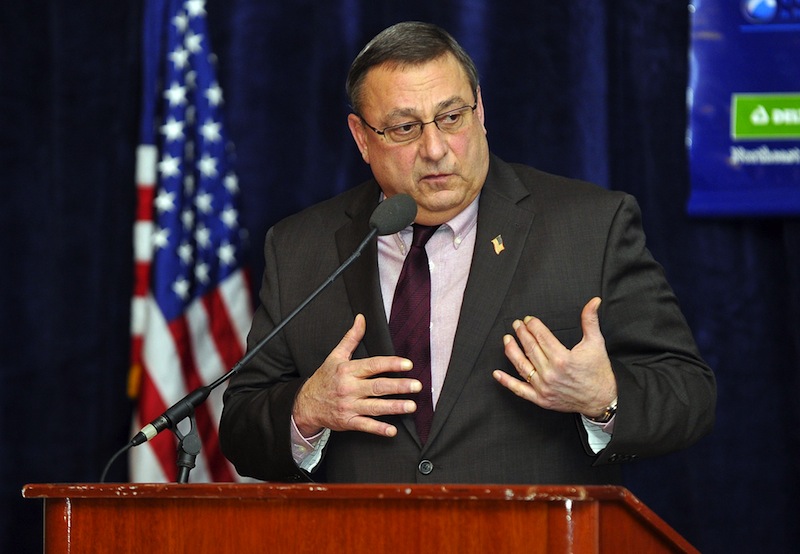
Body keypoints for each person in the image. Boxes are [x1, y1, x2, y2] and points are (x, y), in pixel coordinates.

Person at [219, 21, 716, 484]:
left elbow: (688, 393)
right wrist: (305, 411)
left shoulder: (590, 227)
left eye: (452, 117)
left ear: (481, 111)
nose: (436, 148)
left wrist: (603, 400)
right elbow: (241, 425)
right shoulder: (300, 246)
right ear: (361, 138)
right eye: (405, 128)